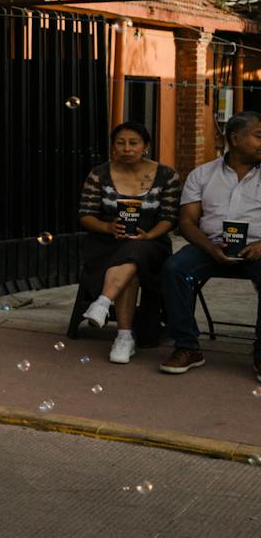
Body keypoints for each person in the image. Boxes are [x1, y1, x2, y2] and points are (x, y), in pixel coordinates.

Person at [160, 111, 261, 380]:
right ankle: (187, 346)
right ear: (235, 139)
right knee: (175, 269)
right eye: (259, 136)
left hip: (257, 250)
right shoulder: (202, 174)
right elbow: (187, 222)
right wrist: (209, 248)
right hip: (210, 247)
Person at [73, 122, 181, 364]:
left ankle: (104, 304)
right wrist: (107, 227)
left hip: (152, 243)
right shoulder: (99, 174)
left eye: (134, 143)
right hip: (106, 243)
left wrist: (149, 235)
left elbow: (170, 217)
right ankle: (123, 336)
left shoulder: (166, 175)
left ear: (145, 146)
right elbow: (86, 215)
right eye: (120, 143)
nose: (127, 148)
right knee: (131, 264)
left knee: (136, 251)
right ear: (113, 147)